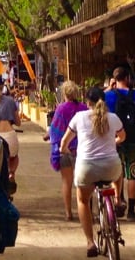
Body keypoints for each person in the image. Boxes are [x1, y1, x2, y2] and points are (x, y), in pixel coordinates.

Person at [61, 86, 124, 257]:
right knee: (119, 168)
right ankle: (118, 200)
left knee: (82, 200)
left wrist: (65, 150)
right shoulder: (113, 118)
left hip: (87, 167)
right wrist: (113, 142)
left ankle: (90, 242)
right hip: (111, 166)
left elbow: (64, 143)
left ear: (87, 102)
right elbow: (122, 137)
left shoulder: (79, 117)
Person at [104, 65, 135, 221]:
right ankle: (131, 211)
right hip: (133, 139)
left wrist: (108, 88)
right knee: (133, 174)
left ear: (114, 80)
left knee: (117, 171)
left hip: (114, 140)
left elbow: (94, 105)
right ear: (128, 78)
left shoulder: (109, 96)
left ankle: (118, 201)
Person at [49, 80, 88, 221]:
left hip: (65, 150)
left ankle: (68, 213)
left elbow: (55, 129)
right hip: (82, 150)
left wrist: (49, 137)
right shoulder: (84, 108)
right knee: (83, 182)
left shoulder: (61, 109)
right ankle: (84, 209)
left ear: (64, 93)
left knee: (67, 182)